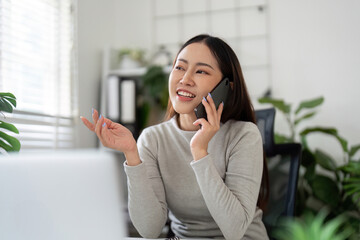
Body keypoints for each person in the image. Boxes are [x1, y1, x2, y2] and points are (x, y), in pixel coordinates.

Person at [81, 34, 269, 240]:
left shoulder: (244, 135)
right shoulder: (153, 139)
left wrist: (200, 153)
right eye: (179, 67)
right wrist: (132, 155)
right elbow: (149, 230)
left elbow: (235, 230)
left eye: (201, 71)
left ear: (226, 87)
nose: (185, 79)